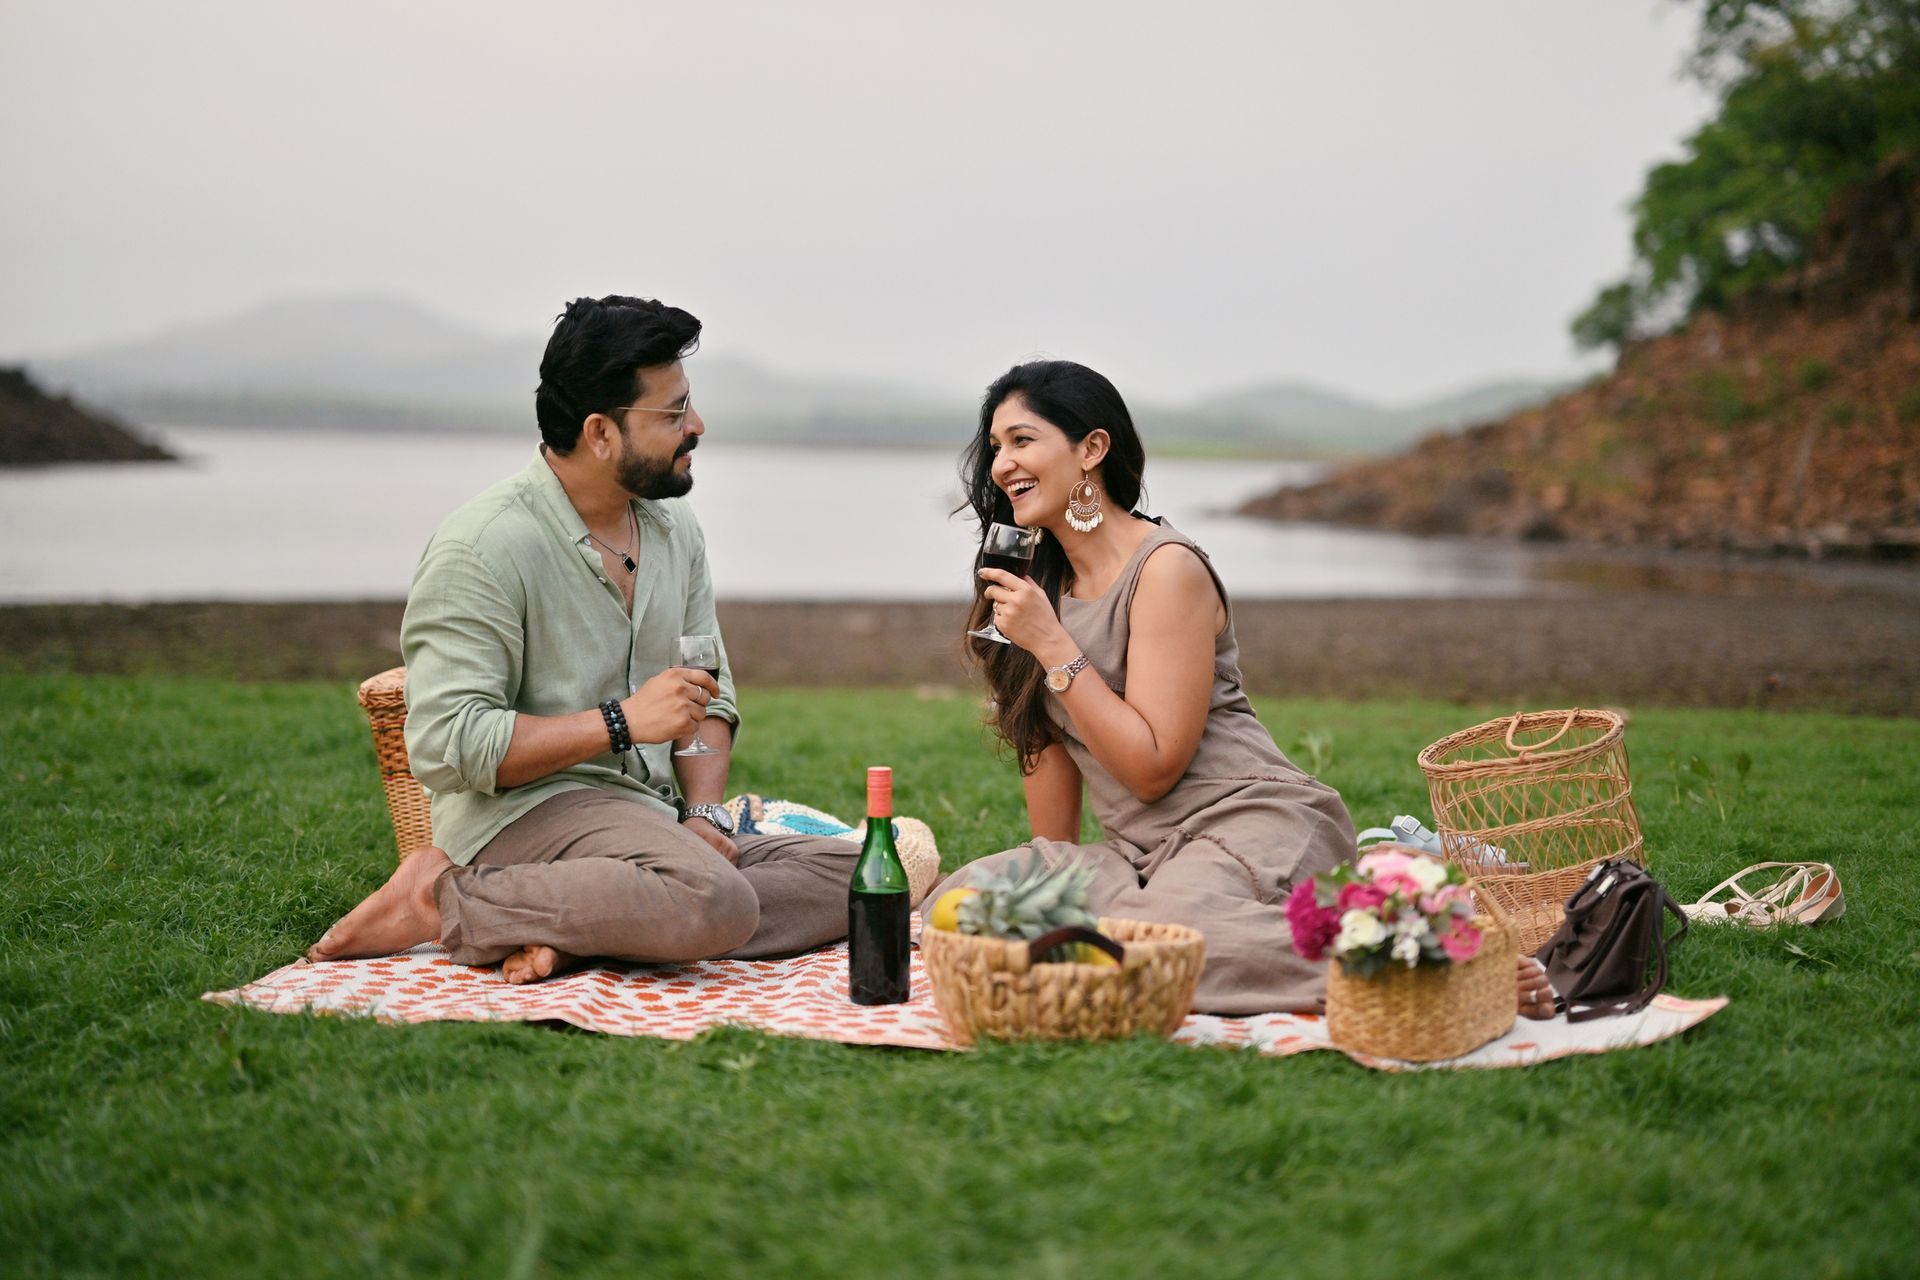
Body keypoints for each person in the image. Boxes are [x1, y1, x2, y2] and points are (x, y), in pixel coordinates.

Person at [923, 360, 1556, 1019]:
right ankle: (1359, 897)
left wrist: (1055, 647)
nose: (1002, 464)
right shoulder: (1037, 587)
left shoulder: (1165, 570)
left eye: (1022, 440)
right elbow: (1043, 740)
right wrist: (1048, 878)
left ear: (1092, 448)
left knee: (1172, 938)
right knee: (973, 903)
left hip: (1247, 822)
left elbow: (1153, 770)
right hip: (1137, 856)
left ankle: (1440, 961)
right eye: (996, 446)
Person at [306, 295, 859, 983]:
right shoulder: (482, 547)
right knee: (714, 899)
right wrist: (620, 722)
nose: (697, 426)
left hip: (648, 818)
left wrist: (705, 813)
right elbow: (449, 745)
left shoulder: (675, 530)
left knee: (861, 876)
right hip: (525, 814)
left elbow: (709, 696)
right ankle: (441, 897)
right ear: (601, 433)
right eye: (672, 414)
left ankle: (582, 929)